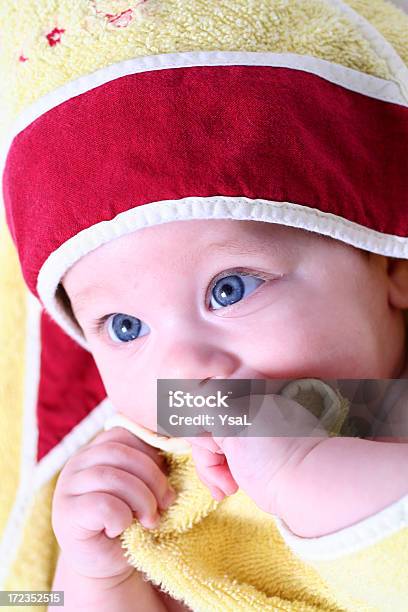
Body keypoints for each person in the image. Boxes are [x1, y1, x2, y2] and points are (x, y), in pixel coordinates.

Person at [1, 0, 408, 610]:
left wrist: (303, 468)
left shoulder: (390, 417)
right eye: (125, 326)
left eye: (230, 289)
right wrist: (98, 572)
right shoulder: (158, 476)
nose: (184, 368)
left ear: (391, 268)